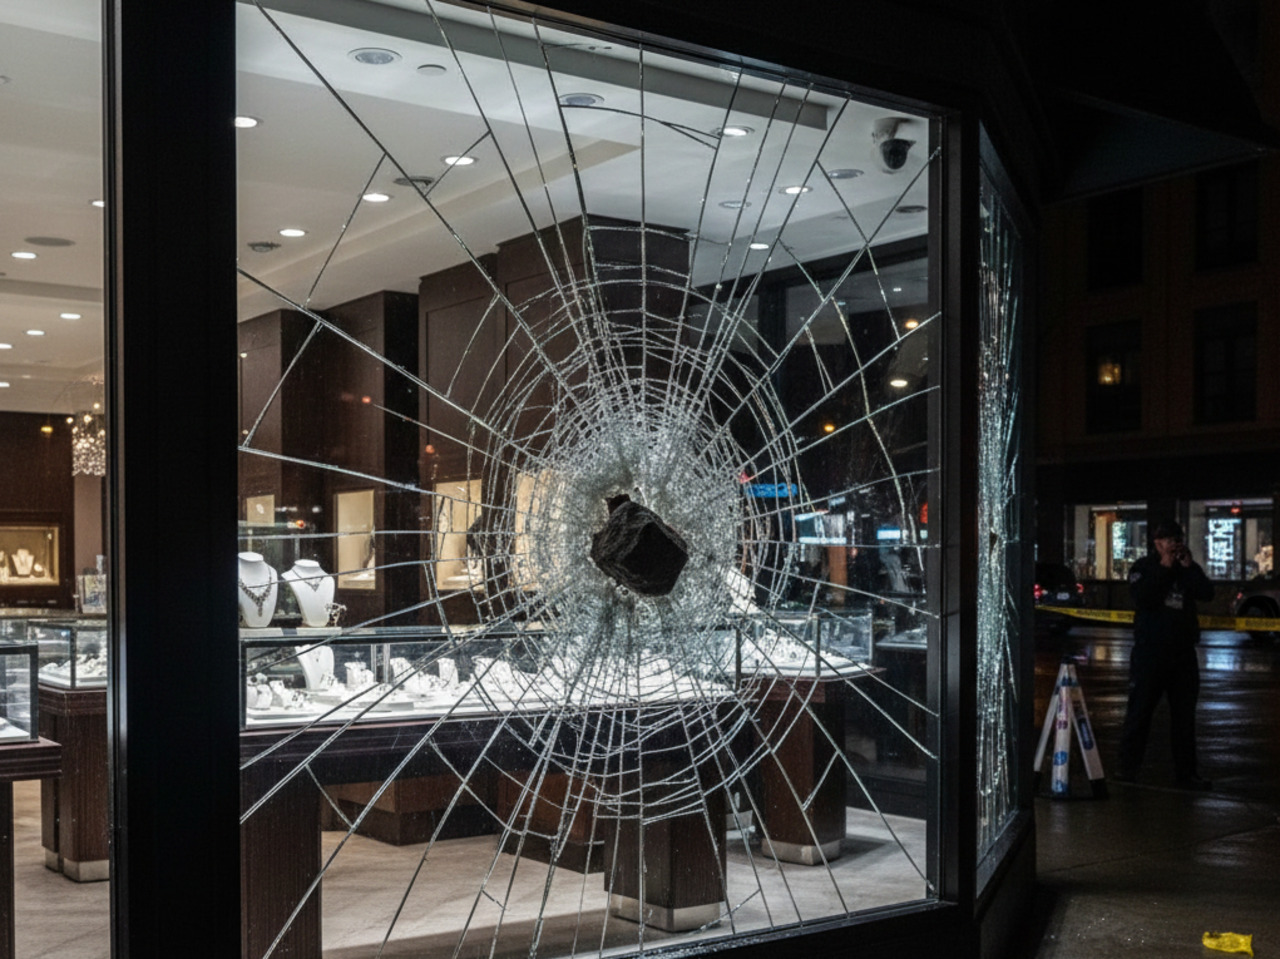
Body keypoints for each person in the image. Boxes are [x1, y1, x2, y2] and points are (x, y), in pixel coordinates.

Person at [1116, 519, 1215, 789]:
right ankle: (1127, 769)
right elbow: (1144, 597)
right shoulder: (1144, 568)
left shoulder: (1187, 569)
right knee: (1140, 711)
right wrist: (1165, 566)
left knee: (1184, 717)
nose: (1172, 544)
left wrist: (1189, 566)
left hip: (1182, 654)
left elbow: (1207, 592)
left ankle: (1187, 773)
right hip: (1151, 652)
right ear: (1156, 543)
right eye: (1167, 540)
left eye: (1176, 539)